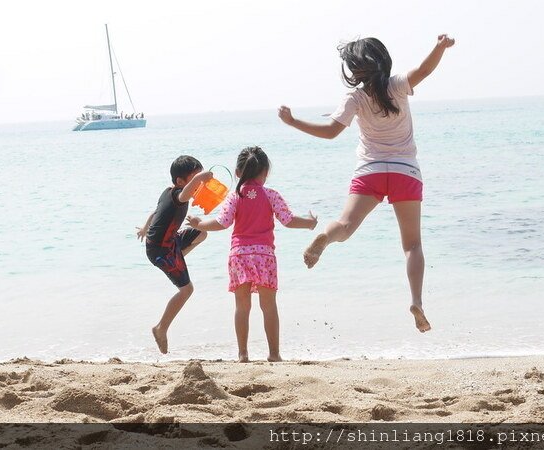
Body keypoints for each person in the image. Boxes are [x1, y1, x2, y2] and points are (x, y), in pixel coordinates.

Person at [277, 35, 455, 333]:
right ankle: (417, 302)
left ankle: (325, 236)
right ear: (383, 59)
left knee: (345, 226)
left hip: (369, 171)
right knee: (412, 245)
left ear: (354, 70)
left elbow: (331, 132)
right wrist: (439, 47)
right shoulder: (397, 85)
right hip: (404, 172)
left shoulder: (355, 98)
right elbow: (423, 71)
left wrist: (294, 122)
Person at [187, 147, 318, 362]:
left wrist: (199, 223)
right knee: (268, 306)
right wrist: (310, 223)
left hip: (239, 256)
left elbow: (222, 223)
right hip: (265, 256)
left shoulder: (235, 197)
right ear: (265, 172)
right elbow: (288, 220)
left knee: (242, 306)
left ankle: (242, 354)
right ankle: (274, 354)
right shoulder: (271, 195)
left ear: (237, 173)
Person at [136, 156, 213, 354]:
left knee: (201, 232)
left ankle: (178, 259)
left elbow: (155, 212)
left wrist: (145, 229)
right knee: (187, 290)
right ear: (180, 182)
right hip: (161, 251)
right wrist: (201, 178)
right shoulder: (179, 194)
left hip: (168, 242)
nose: (200, 183)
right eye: (195, 178)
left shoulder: (166, 192)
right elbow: (186, 193)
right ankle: (161, 328)